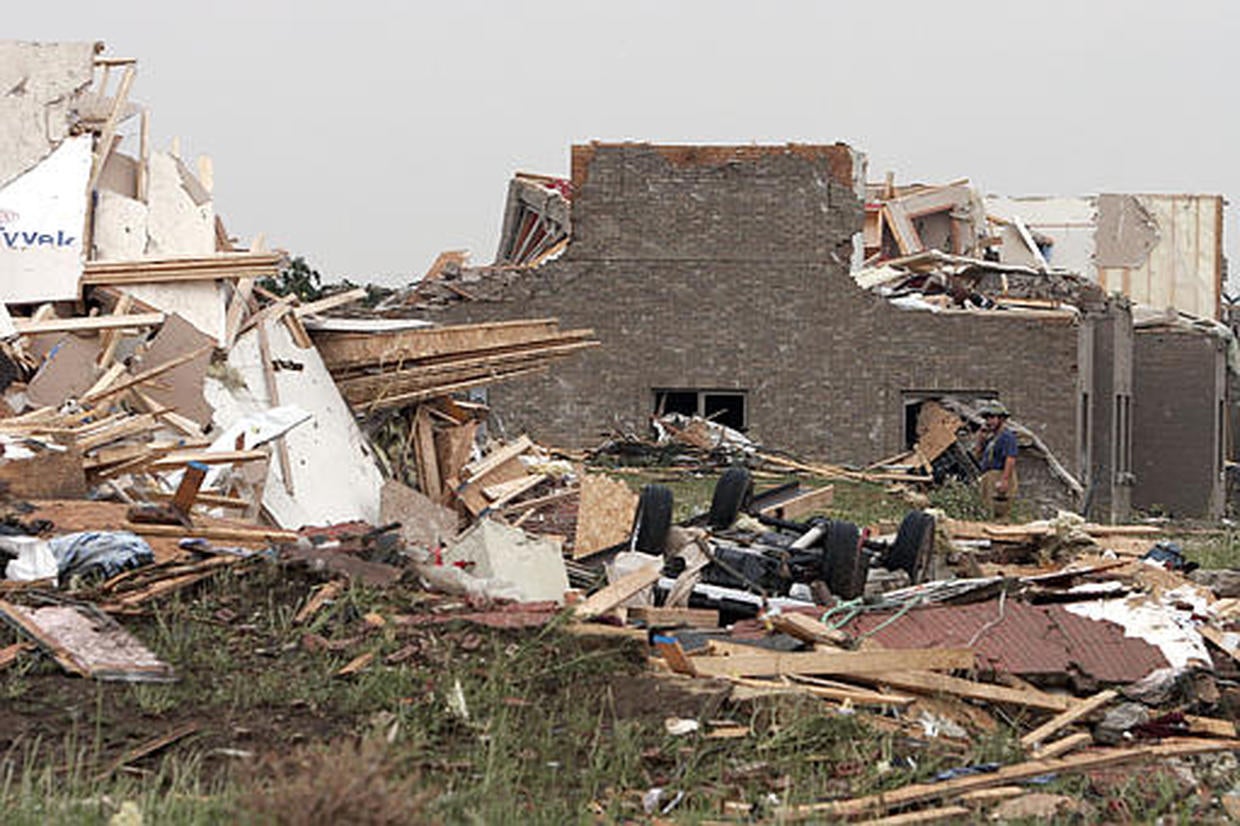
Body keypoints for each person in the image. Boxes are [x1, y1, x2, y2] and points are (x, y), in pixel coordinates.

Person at [974, 400, 1018, 520]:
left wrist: (1004, 480)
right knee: (987, 511)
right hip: (988, 476)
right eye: (987, 418)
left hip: (999, 475)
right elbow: (978, 456)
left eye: (992, 417)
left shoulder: (1007, 436)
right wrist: (980, 440)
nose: (989, 421)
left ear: (1001, 419)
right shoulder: (992, 438)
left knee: (1000, 512)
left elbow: (1010, 458)